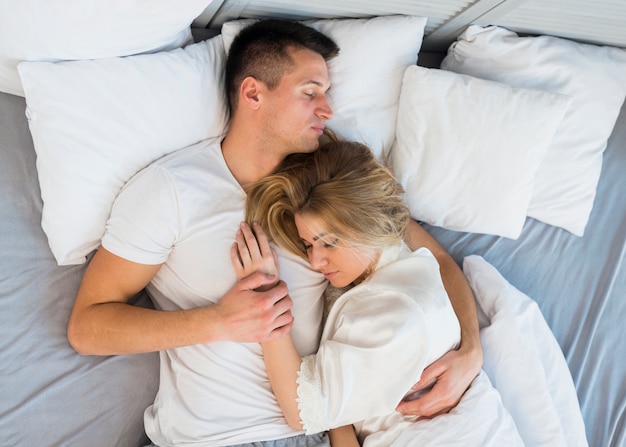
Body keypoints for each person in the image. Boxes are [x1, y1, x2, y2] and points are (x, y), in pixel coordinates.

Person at [67, 19, 481, 446]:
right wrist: (219, 322)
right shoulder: (172, 190)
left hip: (317, 429)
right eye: (310, 92)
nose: (327, 109)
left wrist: (471, 351)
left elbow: (437, 260)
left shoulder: (330, 185)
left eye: (327, 93)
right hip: (209, 438)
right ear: (253, 94)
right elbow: (87, 327)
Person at [232, 139, 523, 446]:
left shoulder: (388, 317)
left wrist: (265, 294)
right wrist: (471, 351)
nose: (316, 261)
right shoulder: (388, 241)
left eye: (329, 242)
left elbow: (301, 409)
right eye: (308, 245)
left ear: (367, 222)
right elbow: (439, 259)